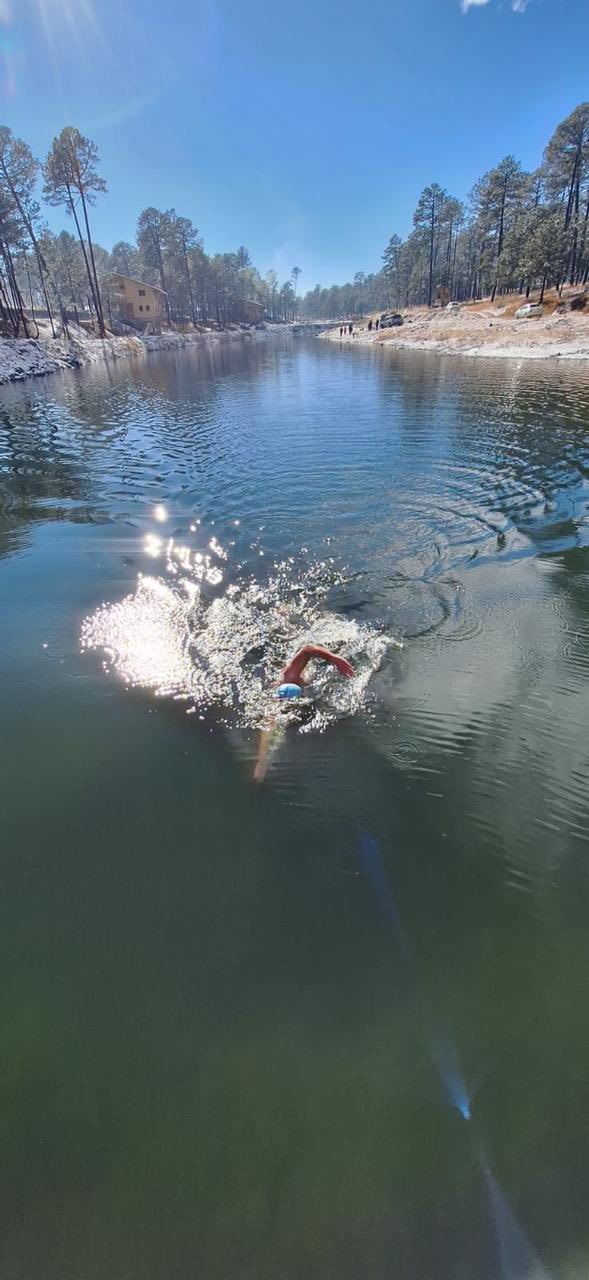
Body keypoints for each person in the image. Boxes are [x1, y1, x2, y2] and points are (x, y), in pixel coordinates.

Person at [254, 644, 355, 781]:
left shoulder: (290, 675)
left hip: (311, 655)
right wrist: (261, 763)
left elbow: (307, 649)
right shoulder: (274, 703)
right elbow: (268, 728)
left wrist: (333, 658)